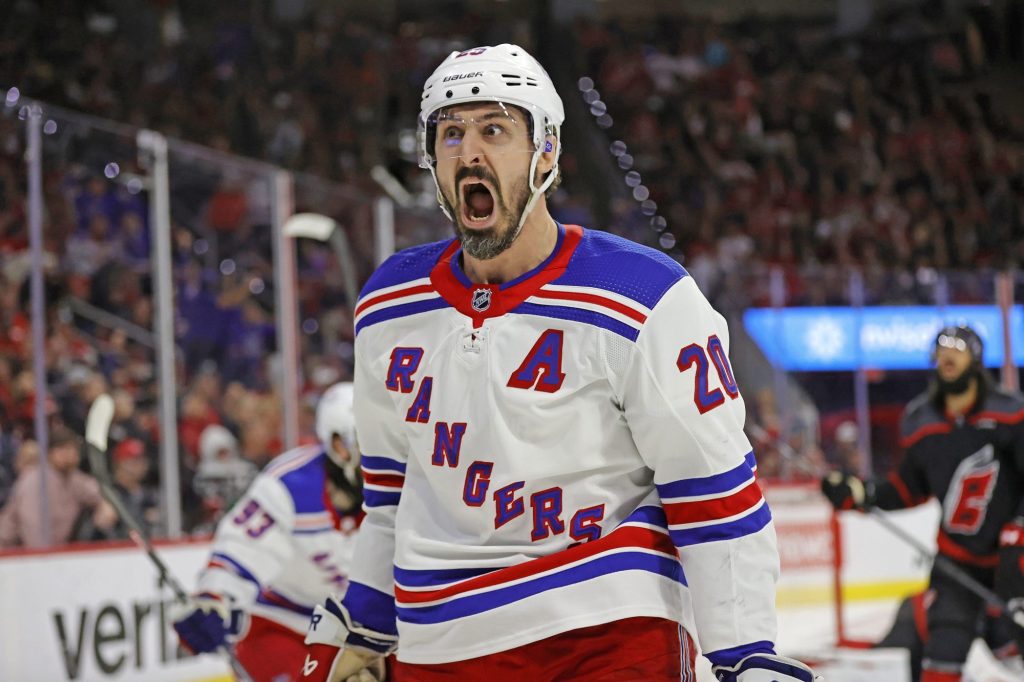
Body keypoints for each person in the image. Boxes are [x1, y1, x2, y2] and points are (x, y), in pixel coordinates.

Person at [300, 44, 815, 682]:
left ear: (546, 154)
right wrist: (368, 618)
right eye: (451, 134)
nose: (470, 152)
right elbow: (391, 490)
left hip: (608, 632)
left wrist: (744, 651)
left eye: (495, 129)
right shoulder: (387, 304)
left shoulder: (645, 296)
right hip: (442, 641)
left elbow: (710, 489)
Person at [822, 325, 1024, 682]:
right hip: (956, 565)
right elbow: (908, 488)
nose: (948, 353)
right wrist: (859, 492)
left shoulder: (1011, 414)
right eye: (941, 348)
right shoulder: (921, 421)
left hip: (1014, 562)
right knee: (941, 656)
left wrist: (1017, 532)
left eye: (958, 348)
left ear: (975, 359)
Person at [173, 383, 373, 682]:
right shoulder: (289, 486)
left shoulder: (407, 484)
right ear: (339, 446)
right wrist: (214, 600)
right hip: (284, 623)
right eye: (369, 441)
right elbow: (239, 553)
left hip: (367, 631)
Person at [0, 426, 116, 548]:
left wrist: (105, 505)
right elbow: (33, 529)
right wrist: (46, 558)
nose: (70, 454)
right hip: (13, 553)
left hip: (55, 551)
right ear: (50, 452)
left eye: (73, 449)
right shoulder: (34, 480)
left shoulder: (73, 479)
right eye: (63, 449)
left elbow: (99, 493)